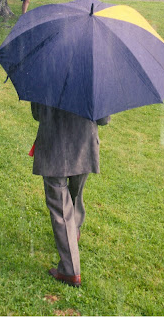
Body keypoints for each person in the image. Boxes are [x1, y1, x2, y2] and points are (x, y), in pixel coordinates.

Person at [31, 102, 110, 287]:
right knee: (74, 195)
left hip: (54, 144)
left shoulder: (46, 73)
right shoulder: (94, 75)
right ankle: (72, 234)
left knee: (60, 206)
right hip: (84, 145)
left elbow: (37, 114)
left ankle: (70, 271)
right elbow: (103, 119)